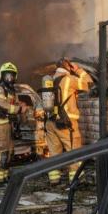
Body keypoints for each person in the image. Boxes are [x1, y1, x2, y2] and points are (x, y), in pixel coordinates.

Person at [40, 58, 93, 186]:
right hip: (66, 123)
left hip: (50, 122)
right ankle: (76, 179)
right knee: (74, 151)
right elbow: (89, 84)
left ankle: (54, 179)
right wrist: (78, 70)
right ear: (68, 67)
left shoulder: (49, 80)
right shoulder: (68, 79)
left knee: (54, 152)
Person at [0, 62, 26, 187]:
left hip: (8, 125)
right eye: (7, 76)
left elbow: (15, 104)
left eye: (11, 76)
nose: (9, 78)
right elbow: (2, 105)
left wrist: (21, 105)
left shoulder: (11, 91)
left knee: (8, 152)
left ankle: (3, 176)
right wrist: (18, 109)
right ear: (2, 76)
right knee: (0, 152)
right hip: (0, 126)